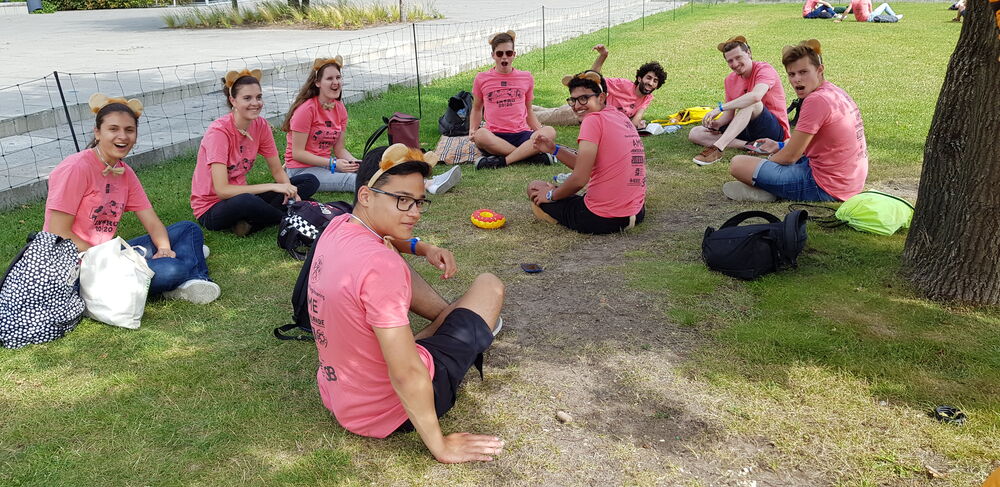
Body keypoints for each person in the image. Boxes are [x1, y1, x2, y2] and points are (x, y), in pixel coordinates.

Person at [309, 143, 506, 463]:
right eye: (402, 200)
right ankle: (460, 324)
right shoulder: (380, 266)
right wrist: (441, 446)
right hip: (390, 409)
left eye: (418, 202)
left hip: (343, 396)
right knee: (489, 285)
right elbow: (406, 374)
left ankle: (452, 322)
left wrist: (422, 247)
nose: (414, 212)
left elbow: (386, 236)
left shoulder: (337, 225)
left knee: (389, 254)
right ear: (366, 195)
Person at [44, 94, 219, 304]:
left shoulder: (124, 172)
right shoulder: (76, 168)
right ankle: (187, 263)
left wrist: (164, 249)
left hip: (107, 254)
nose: (123, 136)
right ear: (97, 132)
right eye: (113, 129)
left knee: (188, 230)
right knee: (172, 269)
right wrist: (110, 258)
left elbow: (152, 221)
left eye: (129, 130)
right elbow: (57, 232)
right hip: (76, 265)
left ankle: (193, 279)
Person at [724, 39, 868, 203]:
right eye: (792, 74)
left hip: (826, 186)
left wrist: (768, 163)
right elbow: (804, 144)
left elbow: (790, 157)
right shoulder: (834, 91)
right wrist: (778, 146)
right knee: (779, 152)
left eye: (803, 72)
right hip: (850, 181)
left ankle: (770, 190)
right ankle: (771, 187)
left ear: (819, 70)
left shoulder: (816, 100)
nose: (796, 79)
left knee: (738, 164)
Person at [190, 69, 319, 236]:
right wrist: (274, 186)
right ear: (233, 100)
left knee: (309, 181)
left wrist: (289, 191)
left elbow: (277, 170)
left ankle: (251, 222)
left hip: (243, 195)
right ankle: (289, 218)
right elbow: (222, 190)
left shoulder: (261, 125)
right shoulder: (219, 132)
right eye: (247, 98)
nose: (255, 103)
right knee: (246, 200)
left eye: (258, 97)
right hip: (213, 207)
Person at [527, 71, 646, 234]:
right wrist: (553, 149)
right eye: (573, 100)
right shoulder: (621, 117)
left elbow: (579, 179)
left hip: (601, 218)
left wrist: (551, 195)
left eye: (584, 98)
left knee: (535, 187)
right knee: (558, 189)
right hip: (637, 212)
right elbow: (586, 166)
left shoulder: (592, 120)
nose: (577, 105)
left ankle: (553, 214)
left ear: (601, 98)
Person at [689, 36, 790, 166]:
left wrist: (720, 108)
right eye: (730, 61)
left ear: (749, 53)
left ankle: (718, 148)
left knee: (751, 103)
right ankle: (750, 145)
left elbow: (755, 96)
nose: (735, 64)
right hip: (745, 127)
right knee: (695, 133)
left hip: (773, 130)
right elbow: (729, 115)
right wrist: (717, 124)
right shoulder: (729, 80)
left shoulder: (764, 70)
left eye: (738, 57)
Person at [471, 31, 557, 169]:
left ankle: (503, 161)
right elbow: (476, 108)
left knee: (550, 131)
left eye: (508, 53)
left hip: (521, 134)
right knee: (480, 135)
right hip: (494, 136)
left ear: (514, 54)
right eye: (500, 53)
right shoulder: (481, 78)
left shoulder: (526, 77)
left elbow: (528, 110)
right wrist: (472, 129)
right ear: (493, 55)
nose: (504, 57)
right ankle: (528, 156)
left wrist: (539, 131)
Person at [532, 44, 666, 129]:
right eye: (648, 78)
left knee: (543, 111)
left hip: (589, 114)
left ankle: (523, 105)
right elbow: (594, 80)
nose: (651, 83)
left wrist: (638, 123)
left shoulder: (647, 98)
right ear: (640, 78)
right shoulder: (623, 85)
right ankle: (578, 79)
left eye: (655, 81)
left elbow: (635, 122)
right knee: (539, 117)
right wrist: (603, 56)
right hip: (582, 111)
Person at [835, 0, 903, 22]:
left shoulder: (853, 1)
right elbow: (870, 11)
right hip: (868, 18)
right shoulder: (867, 0)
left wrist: (840, 19)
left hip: (859, 20)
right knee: (885, 4)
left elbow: (847, 10)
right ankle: (894, 16)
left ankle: (894, 16)